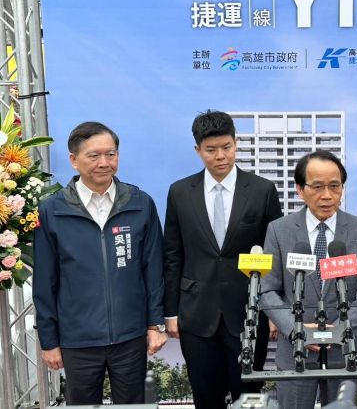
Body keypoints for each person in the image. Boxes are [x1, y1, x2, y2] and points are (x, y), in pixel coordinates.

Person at [33, 121, 166, 405]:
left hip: (130, 336)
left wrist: (156, 325)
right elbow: (44, 282)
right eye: (94, 155)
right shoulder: (52, 210)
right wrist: (49, 341)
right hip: (77, 339)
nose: (104, 163)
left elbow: (154, 269)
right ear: (73, 160)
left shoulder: (140, 203)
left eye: (111, 154)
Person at [163, 110, 282, 409]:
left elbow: (273, 254)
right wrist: (171, 312)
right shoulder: (180, 192)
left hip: (248, 313)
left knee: (250, 397)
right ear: (197, 150)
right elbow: (173, 254)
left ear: (236, 143)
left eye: (227, 147)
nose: (220, 156)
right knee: (205, 397)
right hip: (196, 314)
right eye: (211, 150)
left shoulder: (262, 190)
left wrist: (273, 310)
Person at [261, 150, 357, 409]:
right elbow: (267, 291)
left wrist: (338, 330)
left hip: (344, 352)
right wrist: (296, 329)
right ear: (300, 189)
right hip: (295, 353)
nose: (327, 195)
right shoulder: (279, 230)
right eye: (317, 187)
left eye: (334, 186)